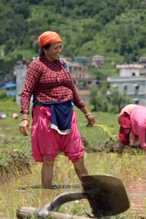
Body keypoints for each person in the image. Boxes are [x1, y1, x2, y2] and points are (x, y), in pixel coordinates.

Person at [18, 31, 96, 189]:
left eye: (61, 47)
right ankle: (46, 193)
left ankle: (91, 190)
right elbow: (26, 92)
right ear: (45, 49)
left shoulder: (63, 65)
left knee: (78, 154)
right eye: (55, 48)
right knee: (49, 157)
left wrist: (87, 113)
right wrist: (25, 117)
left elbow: (73, 90)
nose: (59, 51)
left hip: (67, 112)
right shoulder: (36, 66)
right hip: (45, 114)